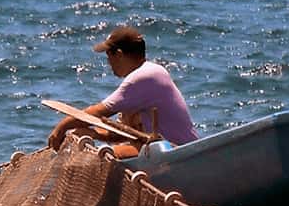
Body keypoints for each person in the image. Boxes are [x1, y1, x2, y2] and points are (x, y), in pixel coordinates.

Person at [47, 26, 199, 156]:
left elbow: (99, 111)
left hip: (177, 151)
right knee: (104, 154)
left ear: (118, 55)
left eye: (108, 57)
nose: (108, 63)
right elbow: (123, 133)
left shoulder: (144, 76)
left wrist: (61, 127)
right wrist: (94, 134)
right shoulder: (144, 79)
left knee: (101, 159)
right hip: (161, 149)